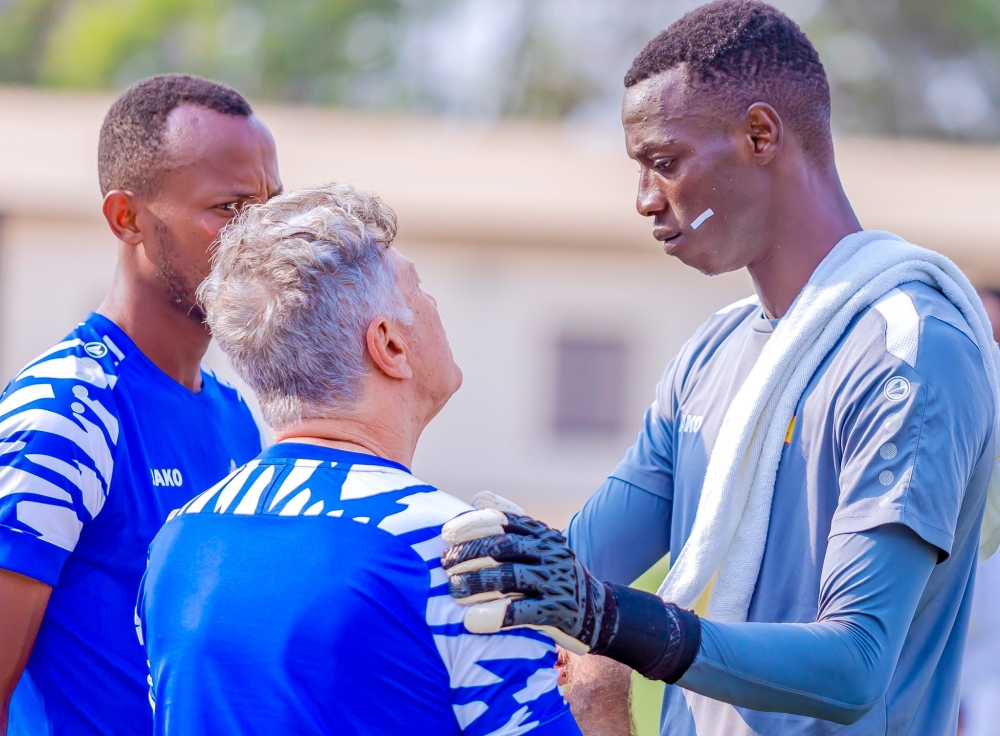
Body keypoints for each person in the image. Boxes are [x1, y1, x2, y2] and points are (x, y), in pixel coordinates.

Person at [442, 2, 998, 735]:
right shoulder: (712, 352)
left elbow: (856, 666)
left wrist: (617, 620)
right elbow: (581, 561)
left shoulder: (911, 347)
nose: (644, 200)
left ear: (760, 135)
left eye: (664, 162)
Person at [136, 183, 589, 736]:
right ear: (390, 346)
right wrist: (601, 685)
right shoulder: (459, 557)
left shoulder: (176, 541)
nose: (435, 304)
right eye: (419, 289)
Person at [0, 74, 281, 736]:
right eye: (231, 209)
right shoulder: (65, 412)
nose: (262, 239)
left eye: (272, 207)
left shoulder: (238, 418)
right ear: (126, 218)